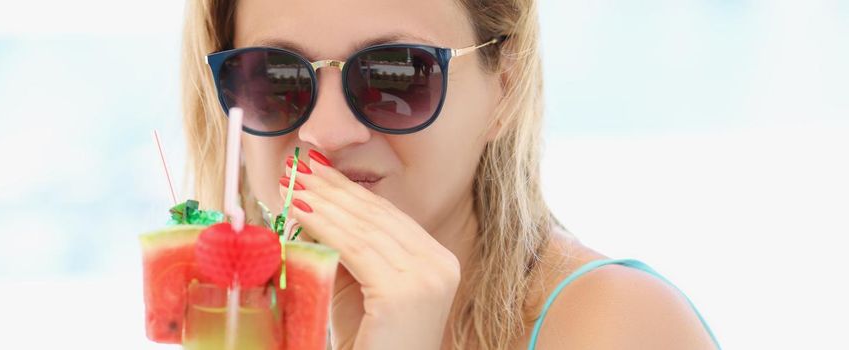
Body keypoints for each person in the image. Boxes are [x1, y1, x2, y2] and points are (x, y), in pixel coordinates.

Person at [180, 0, 720, 348]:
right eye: (276, 78)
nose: (327, 132)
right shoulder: (236, 330)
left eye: (396, 74)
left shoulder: (616, 325)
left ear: (504, 90)